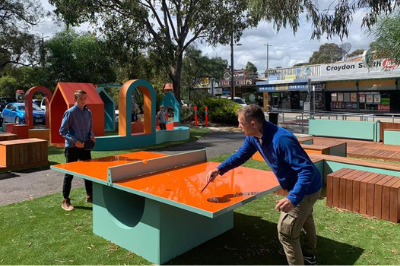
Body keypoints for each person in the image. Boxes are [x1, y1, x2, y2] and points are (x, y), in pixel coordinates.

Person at [206, 104, 322, 265]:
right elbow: (241, 155)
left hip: (306, 188)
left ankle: (305, 258)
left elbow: (306, 171)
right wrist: (219, 169)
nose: (239, 126)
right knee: (305, 218)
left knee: (286, 232)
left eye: (241, 123)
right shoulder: (253, 137)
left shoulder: (282, 140)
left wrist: (293, 198)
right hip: (303, 187)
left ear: (253, 124)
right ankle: (309, 255)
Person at [59, 90, 96, 211]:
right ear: (75, 100)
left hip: (85, 147)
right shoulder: (70, 112)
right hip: (72, 148)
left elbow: (90, 128)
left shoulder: (88, 112)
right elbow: (62, 131)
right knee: (69, 174)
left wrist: (91, 135)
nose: (83, 101)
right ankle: (65, 200)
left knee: (88, 173)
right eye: (81, 99)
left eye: (85, 98)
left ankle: (90, 196)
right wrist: (75, 141)